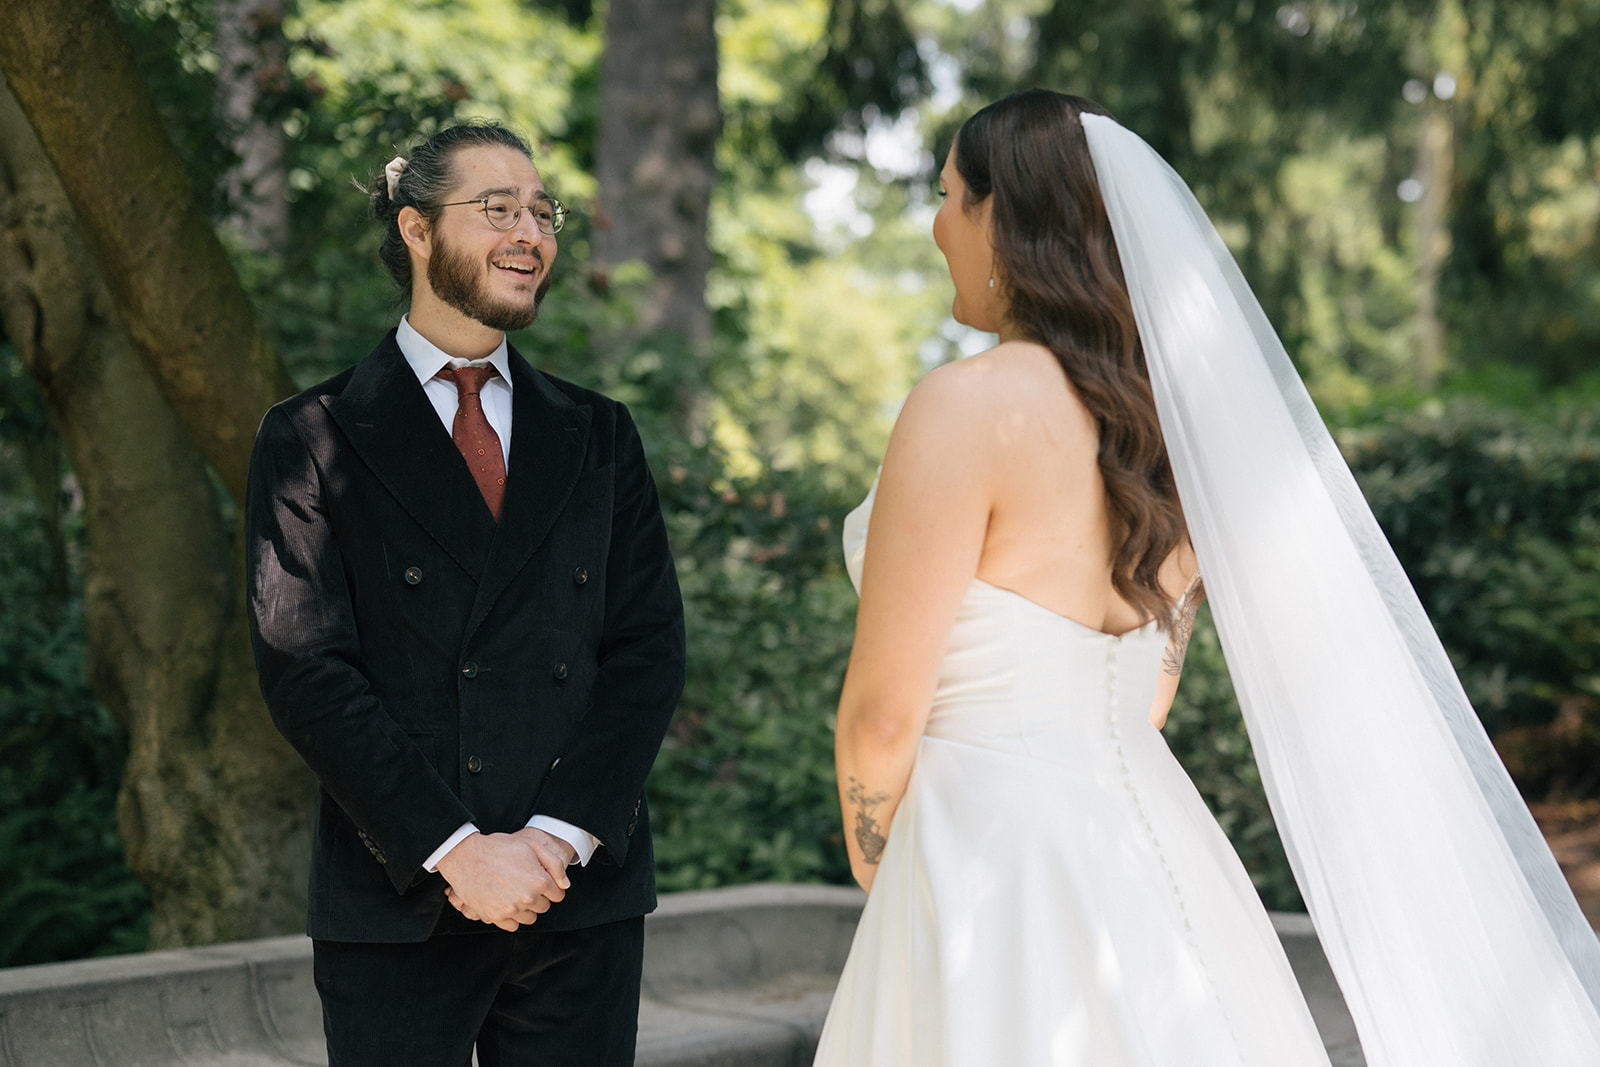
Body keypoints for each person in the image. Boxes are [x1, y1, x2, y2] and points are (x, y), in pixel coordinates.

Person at [814, 90, 1600, 1066]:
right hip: (1150, 841)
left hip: (983, 849)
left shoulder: (962, 406)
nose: (934, 224)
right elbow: (1147, 697)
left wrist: (883, 865)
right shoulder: (1174, 445)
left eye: (946, 196)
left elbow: (884, 713)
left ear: (1000, 219)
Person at [244, 120, 685, 1067]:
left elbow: (648, 650)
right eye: (498, 209)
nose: (530, 232)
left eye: (542, 211)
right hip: (400, 895)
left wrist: (554, 843)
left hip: (577, 899)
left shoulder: (598, 434)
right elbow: (306, 669)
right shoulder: (312, 435)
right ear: (415, 229)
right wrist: (458, 850)